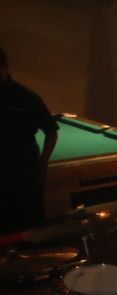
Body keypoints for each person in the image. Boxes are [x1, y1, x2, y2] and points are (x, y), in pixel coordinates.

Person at [0, 44, 58, 234]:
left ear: (5, 66)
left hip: (25, 168)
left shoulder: (26, 97)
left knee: (32, 224)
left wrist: (43, 161)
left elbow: (51, 131)